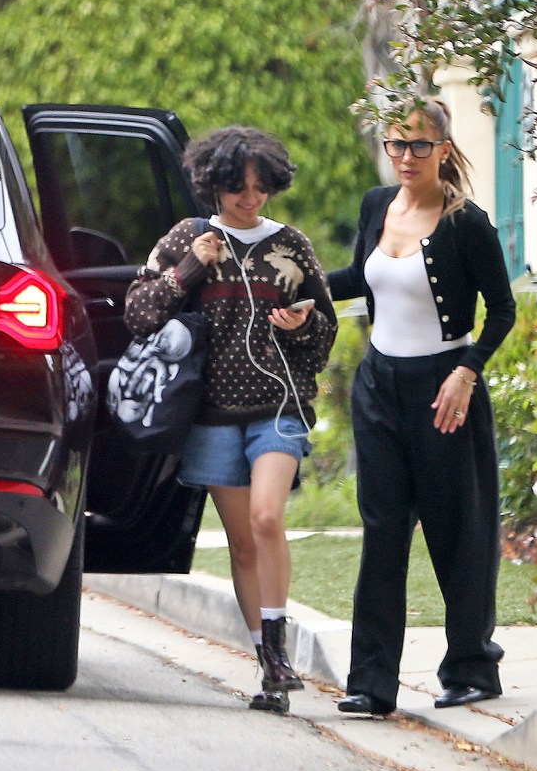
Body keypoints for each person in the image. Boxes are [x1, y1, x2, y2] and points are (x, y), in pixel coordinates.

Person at [124, 125, 337, 713]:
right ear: (213, 185)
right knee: (242, 544)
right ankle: (270, 667)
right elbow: (138, 312)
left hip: (279, 408)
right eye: (238, 188)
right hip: (213, 416)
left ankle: (279, 652)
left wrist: (305, 326)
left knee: (268, 518)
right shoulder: (186, 238)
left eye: (260, 187)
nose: (250, 199)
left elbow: (326, 333)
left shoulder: (291, 245)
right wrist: (191, 268)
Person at [328, 98, 515, 715]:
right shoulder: (376, 206)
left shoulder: (469, 224)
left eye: (418, 146)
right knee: (382, 534)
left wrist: (468, 370)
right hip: (379, 386)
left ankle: (471, 668)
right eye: (396, 145)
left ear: (443, 148)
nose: (405, 157)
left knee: (456, 530)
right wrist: (306, 293)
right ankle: (371, 683)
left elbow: (504, 310)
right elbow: (360, 277)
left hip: (444, 388)